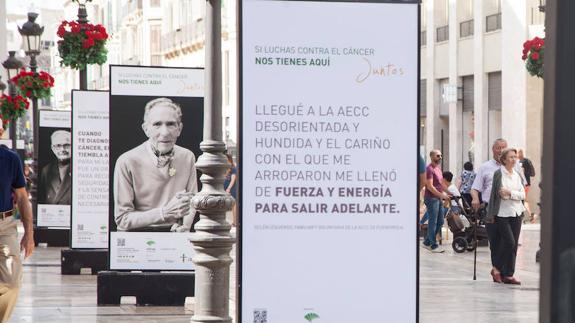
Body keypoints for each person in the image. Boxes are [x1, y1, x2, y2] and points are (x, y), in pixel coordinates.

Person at [114, 98, 198, 232]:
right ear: (146, 129)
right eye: (157, 124)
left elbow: (192, 200)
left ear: (179, 129)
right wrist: (164, 213)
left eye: (171, 124)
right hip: (136, 236)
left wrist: (185, 226)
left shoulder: (187, 157)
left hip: (173, 233)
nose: (165, 133)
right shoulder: (127, 161)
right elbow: (122, 219)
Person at [0, 116, 35, 321]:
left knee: (11, 282)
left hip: (4, 226)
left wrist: (29, 234)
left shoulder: (10, 159)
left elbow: (22, 197)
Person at [486, 148, 524, 285]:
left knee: (514, 246)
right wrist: (513, 194)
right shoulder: (498, 174)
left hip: (517, 212)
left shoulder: (517, 174)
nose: (514, 159)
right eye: (511, 157)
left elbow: (523, 194)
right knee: (509, 242)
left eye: (515, 157)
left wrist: (511, 193)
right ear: (504, 159)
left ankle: (508, 274)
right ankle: (496, 268)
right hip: (502, 213)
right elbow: (501, 193)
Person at [471, 138, 507, 283]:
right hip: (490, 208)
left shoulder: (513, 167)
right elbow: (475, 188)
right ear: (493, 150)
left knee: (509, 241)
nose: (501, 151)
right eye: (498, 148)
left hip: (508, 208)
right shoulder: (485, 167)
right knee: (495, 241)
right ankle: (497, 269)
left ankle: (505, 269)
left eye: (504, 148)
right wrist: (475, 199)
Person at [422, 149, 449, 253]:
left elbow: (441, 184)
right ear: (432, 156)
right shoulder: (429, 169)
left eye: (441, 156)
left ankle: (427, 242)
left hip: (438, 198)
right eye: (438, 156)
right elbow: (429, 186)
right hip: (431, 199)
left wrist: (449, 192)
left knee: (441, 221)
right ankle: (433, 245)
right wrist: (442, 195)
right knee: (433, 222)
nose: (440, 158)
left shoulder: (438, 169)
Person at [38, 130, 72, 205]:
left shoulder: (78, 168)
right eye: (58, 146)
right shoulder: (46, 170)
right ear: (53, 148)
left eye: (66, 145)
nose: (62, 149)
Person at [518, 149, 536, 222]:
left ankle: (530, 215)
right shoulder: (526, 161)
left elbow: (522, 172)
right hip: (526, 183)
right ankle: (530, 215)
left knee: (523, 199)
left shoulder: (522, 162)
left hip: (524, 184)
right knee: (524, 199)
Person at [224, 154, 238, 226]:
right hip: (225, 188)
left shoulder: (233, 168)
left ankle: (235, 222)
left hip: (231, 189)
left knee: (234, 206)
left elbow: (233, 180)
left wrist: (229, 188)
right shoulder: (225, 168)